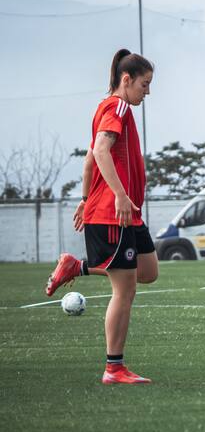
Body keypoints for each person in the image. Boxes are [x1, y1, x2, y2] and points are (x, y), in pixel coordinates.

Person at [45, 49, 158, 384]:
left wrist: (85, 199)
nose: (147, 92)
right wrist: (119, 195)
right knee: (125, 290)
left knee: (148, 271)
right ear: (127, 79)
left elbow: (89, 160)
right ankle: (114, 368)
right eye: (145, 84)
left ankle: (76, 267)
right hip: (114, 214)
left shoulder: (111, 108)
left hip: (126, 214)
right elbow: (100, 150)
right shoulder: (117, 107)